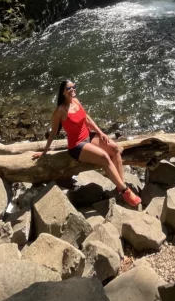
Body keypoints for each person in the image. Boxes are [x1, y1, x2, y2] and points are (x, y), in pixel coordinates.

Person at [32, 79, 141, 207]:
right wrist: (44, 152)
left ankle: (120, 186)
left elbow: (87, 119)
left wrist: (101, 133)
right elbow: (53, 133)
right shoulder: (60, 111)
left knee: (115, 149)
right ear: (63, 92)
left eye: (74, 86)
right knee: (104, 157)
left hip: (89, 136)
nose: (73, 89)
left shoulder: (76, 101)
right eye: (69, 88)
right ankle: (125, 191)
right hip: (77, 146)